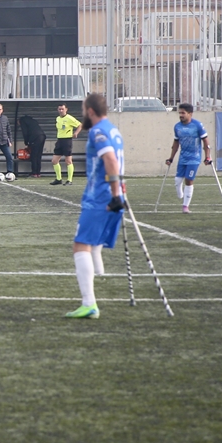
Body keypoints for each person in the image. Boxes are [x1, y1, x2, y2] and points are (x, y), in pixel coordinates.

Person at [66, 93, 126, 319]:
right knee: (91, 244)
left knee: (80, 245)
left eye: (83, 109)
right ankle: (95, 283)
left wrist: (115, 195)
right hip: (108, 195)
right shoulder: (113, 130)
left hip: (101, 197)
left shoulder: (97, 131)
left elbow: (111, 160)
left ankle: (89, 303)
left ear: (90, 111)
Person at [165, 103, 212, 214]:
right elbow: (176, 143)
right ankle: (180, 195)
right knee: (177, 180)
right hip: (183, 157)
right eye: (179, 113)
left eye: (183, 113)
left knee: (189, 179)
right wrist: (171, 158)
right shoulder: (177, 127)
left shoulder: (197, 125)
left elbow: (205, 141)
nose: (181, 115)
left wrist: (207, 156)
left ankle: (185, 206)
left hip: (194, 158)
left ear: (190, 113)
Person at [51, 103, 83, 186]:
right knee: (54, 161)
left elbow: (80, 125)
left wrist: (76, 133)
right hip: (59, 140)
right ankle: (58, 179)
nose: (61, 111)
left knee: (68, 161)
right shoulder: (58, 118)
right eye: (59, 109)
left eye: (62, 109)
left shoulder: (69, 118)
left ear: (66, 109)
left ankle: (69, 180)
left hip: (67, 141)